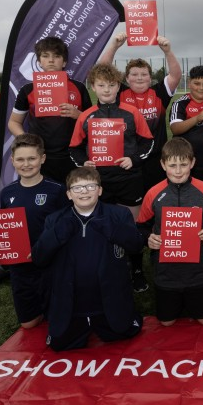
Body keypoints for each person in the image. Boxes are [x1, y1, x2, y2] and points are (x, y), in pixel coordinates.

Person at [31, 167, 144, 352]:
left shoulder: (118, 214)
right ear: (68, 194)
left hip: (109, 301)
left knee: (126, 332)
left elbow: (136, 245)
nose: (84, 191)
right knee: (60, 344)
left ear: (100, 190)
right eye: (77, 188)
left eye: (90, 186)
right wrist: (58, 233)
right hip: (72, 304)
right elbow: (39, 258)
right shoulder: (55, 220)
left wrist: (112, 229)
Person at [69, 62, 154, 292]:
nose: (106, 89)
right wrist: (84, 164)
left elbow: (148, 141)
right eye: (101, 85)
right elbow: (74, 148)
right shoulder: (86, 116)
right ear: (93, 87)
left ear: (119, 86)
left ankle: (136, 270)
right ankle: (108, 268)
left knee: (132, 226)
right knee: (101, 225)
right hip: (100, 182)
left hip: (129, 178)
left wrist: (133, 159)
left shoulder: (131, 112)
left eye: (111, 85)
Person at [138, 137, 203, 327]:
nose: (178, 171)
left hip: (199, 270)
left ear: (193, 163)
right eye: (172, 165)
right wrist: (149, 238)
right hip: (166, 273)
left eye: (183, 164)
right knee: (166, 323)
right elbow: (141, 226)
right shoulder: (153, 193)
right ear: (163, 165)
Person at [0, 134, 69, 328]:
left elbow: (67, 228)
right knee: (28, 325)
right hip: (20, 269)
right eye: (20, 159)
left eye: (32, 158)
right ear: (12, 161)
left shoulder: (57, 190)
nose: (26, 164)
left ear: (42, 159)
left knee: (58, 321)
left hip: (51, 267)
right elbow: (4, 226)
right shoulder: (7, 193)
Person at [98, 32, 182, 189]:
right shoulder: (118, 92)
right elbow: (102, 73)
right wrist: (114, 46)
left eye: (144, 74)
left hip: (156, 159)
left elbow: (176, 76)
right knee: (131, 201)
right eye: (134, 74)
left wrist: (167, 51)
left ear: (150, 78)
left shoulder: (159, 93)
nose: (139, 77)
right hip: (126, 159)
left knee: (154, 198)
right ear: (126, 78)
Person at [8, 36, 92, 183]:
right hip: (41, 156)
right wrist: (29, 142)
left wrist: (78, 114)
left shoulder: (79, 88)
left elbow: (93, 122)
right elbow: (13, 122)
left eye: (57, 56)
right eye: (45, 56)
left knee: (73, 197)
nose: (51, 60)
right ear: (39, 61)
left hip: (73, 154)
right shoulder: (27, 90)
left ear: (64, 61)